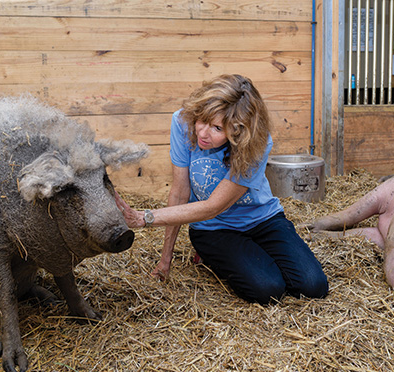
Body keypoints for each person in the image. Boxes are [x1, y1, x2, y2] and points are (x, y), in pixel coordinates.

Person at [114, 74, 328, 305]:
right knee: (268, 290)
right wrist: (165, 260)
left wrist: (143, 218)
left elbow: (214, 205)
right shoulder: (182, 123)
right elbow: (180, 192)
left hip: (262, 219)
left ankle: (251, 257)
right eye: (202, 120)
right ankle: (212, 255)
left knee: (313, 286)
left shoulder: (257, 141)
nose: (203, 133)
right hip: (213, 229)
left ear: (239, 131)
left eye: (217, 128)